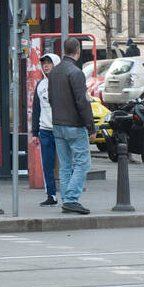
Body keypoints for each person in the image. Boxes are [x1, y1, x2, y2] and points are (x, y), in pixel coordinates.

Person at [48, 36, 97, 214]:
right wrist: (91, 127)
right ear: (78, 51)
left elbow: (51, 99)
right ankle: (71, 199)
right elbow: (82, 102)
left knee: (65, 164)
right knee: (83, 163)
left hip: (57, 124)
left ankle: (66, 200)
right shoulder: (76, 73)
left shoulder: (54, 72)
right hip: (74, 126)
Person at [31, 53, 61, 206]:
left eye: (49, 63)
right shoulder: (40, 85)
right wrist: (35, 132)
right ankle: (51, 195)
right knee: (47, 164)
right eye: (44, 63)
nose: (46, 66)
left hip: (61, 129)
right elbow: (36, 109)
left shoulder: (63, 83)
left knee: (65, 164)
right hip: (45, 131)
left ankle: (69, 196)